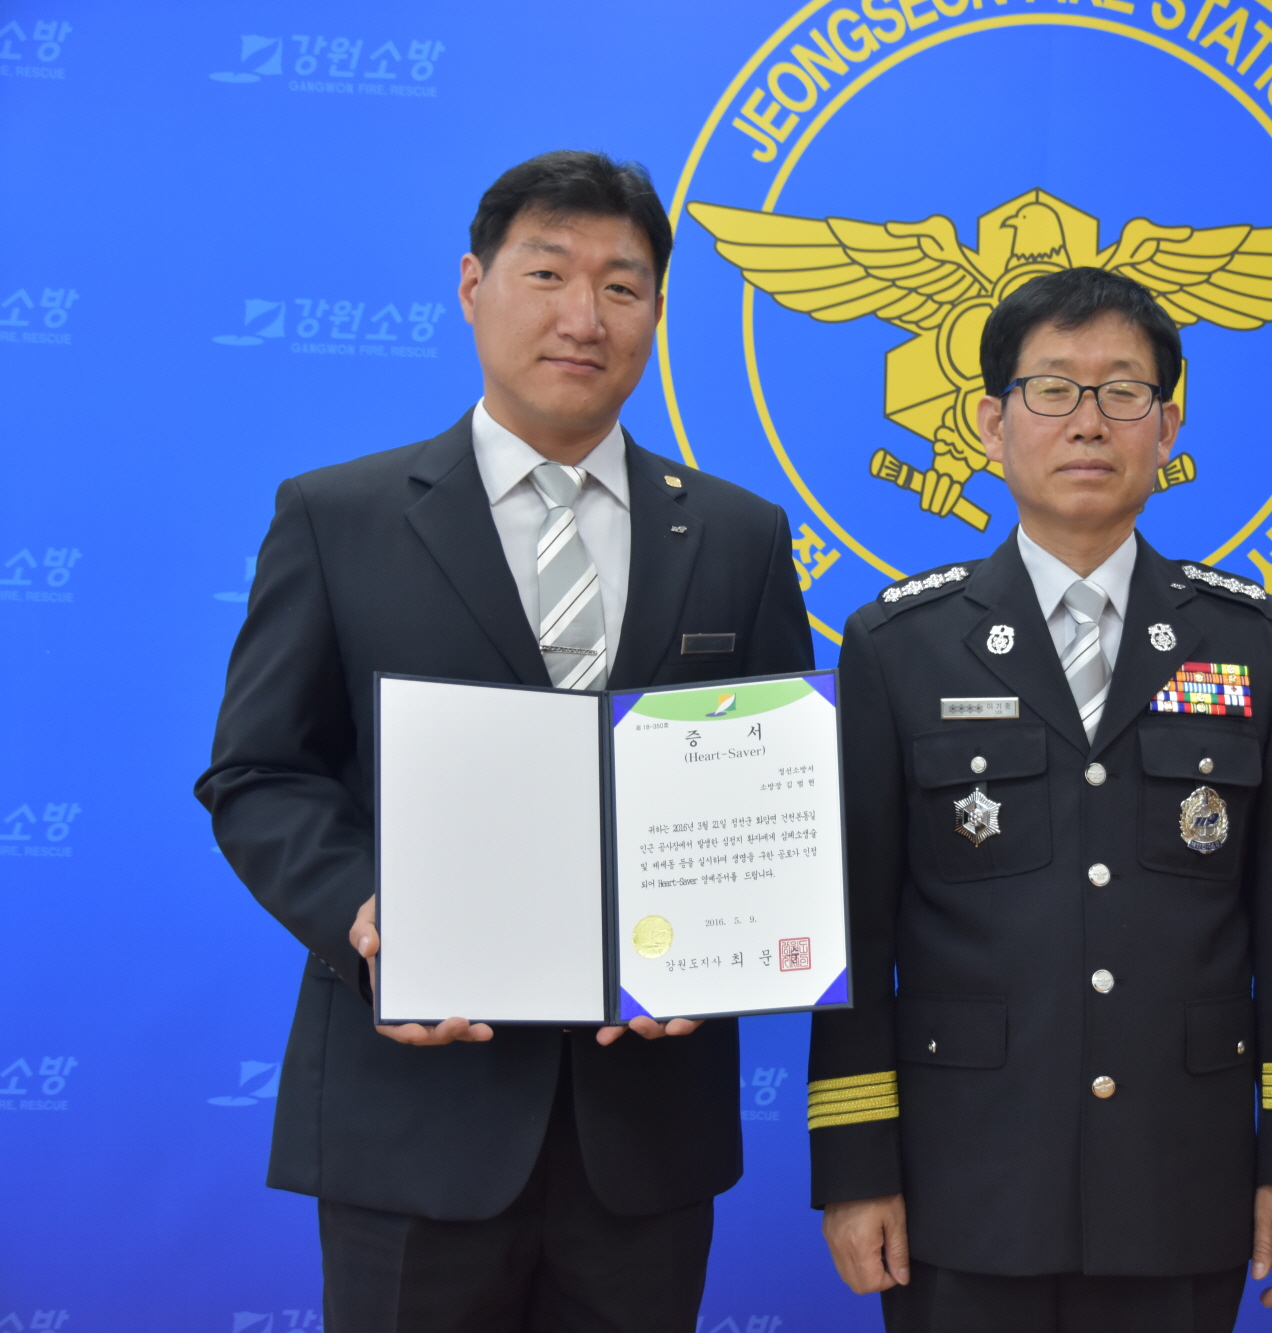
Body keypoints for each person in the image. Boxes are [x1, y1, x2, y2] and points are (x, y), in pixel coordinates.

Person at [195, 151, 812, 1332]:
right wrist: (366, 915)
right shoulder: (337, 517)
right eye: (546, 273)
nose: (584, 317)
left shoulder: (738, 534)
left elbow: (778, 791)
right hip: (412, 1117)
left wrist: (725, 951)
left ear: (657, 313)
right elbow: (260, 772)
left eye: (621, 286)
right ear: (472, 286)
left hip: (644, 1131)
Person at [807, 266, 1272, 1333]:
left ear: (1168, 425)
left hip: (1180, 1173)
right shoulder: (898, 646)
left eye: (1123, 392)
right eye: (1052, 389)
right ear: (990, 424)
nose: (1088, 422)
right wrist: (856, 1166)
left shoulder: (1254, 641)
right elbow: (855, 934)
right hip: (966, 1178)